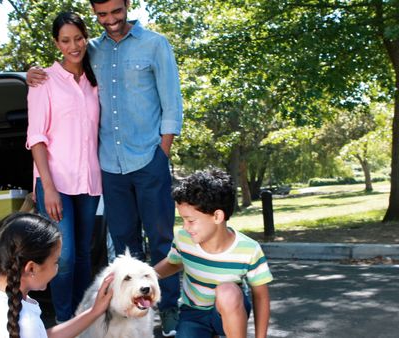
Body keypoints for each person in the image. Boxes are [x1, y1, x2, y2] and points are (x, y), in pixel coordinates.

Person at [27, 0, 184, 335]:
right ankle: (129, 319)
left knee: (161, 239)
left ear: (127, 5)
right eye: (102, 14)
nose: (110, 20)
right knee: (125, 247)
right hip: (109, 169)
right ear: (94, 14)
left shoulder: (154, 44)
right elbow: (54, 86)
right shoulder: (89, 51)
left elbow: (172, 103)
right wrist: (30, 74)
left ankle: (170, 309)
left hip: (148, 160)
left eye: (116, 11)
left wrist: (162, 154)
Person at [25, 12, 101, 322]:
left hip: (89, 181)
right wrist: (49, 188)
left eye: (79, 38)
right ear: (57, 44)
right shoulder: (43, 80)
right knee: (64, 256)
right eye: (66, 40)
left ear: (86, 37)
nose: (74, 46)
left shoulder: (94, 80)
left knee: (83, 254)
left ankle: (83, 319)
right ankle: (64, 320)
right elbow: (36, 138)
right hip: (54, 182)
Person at [154, 169, 273, 338]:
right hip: (193, 313)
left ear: (217, 216)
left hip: (228, 311)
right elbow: (173, 263)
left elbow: (261, 297)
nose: (185, 227)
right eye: (182, 220)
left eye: (190, 220)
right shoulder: (183, 239)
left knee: (228, 292)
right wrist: (144, 276)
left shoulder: (249, 250)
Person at [0, 212, 114, 338]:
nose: (57, 268)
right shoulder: (26, 322)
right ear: (31, 268)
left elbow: (44, 335)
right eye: (56, 261)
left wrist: (94, 312)